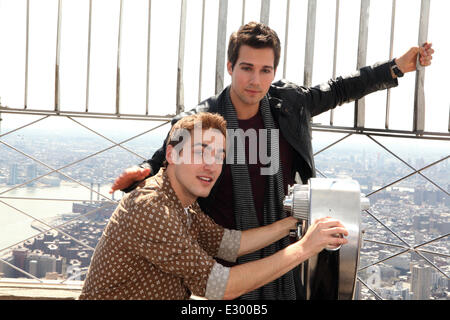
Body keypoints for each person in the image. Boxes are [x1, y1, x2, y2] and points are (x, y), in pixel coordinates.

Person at [109, 22, 434, 299]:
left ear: (274, 72)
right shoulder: (203, 120)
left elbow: (339, 88)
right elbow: (172, 152)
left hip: (281, 246)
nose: (256, 81)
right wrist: (147, 170)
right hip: (227, 254)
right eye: (246, 68)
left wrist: (394, 67)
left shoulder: (291, 103)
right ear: (230, 67)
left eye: (265, 70)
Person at [79, 112, 348, 300]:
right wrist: (304, 248)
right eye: (201, 151)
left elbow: (230, 244)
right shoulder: (151, 208)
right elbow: (223, 287)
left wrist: (293, 223)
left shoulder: (183, 202)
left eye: (219, 155)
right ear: (172, 154)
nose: (211, 164)